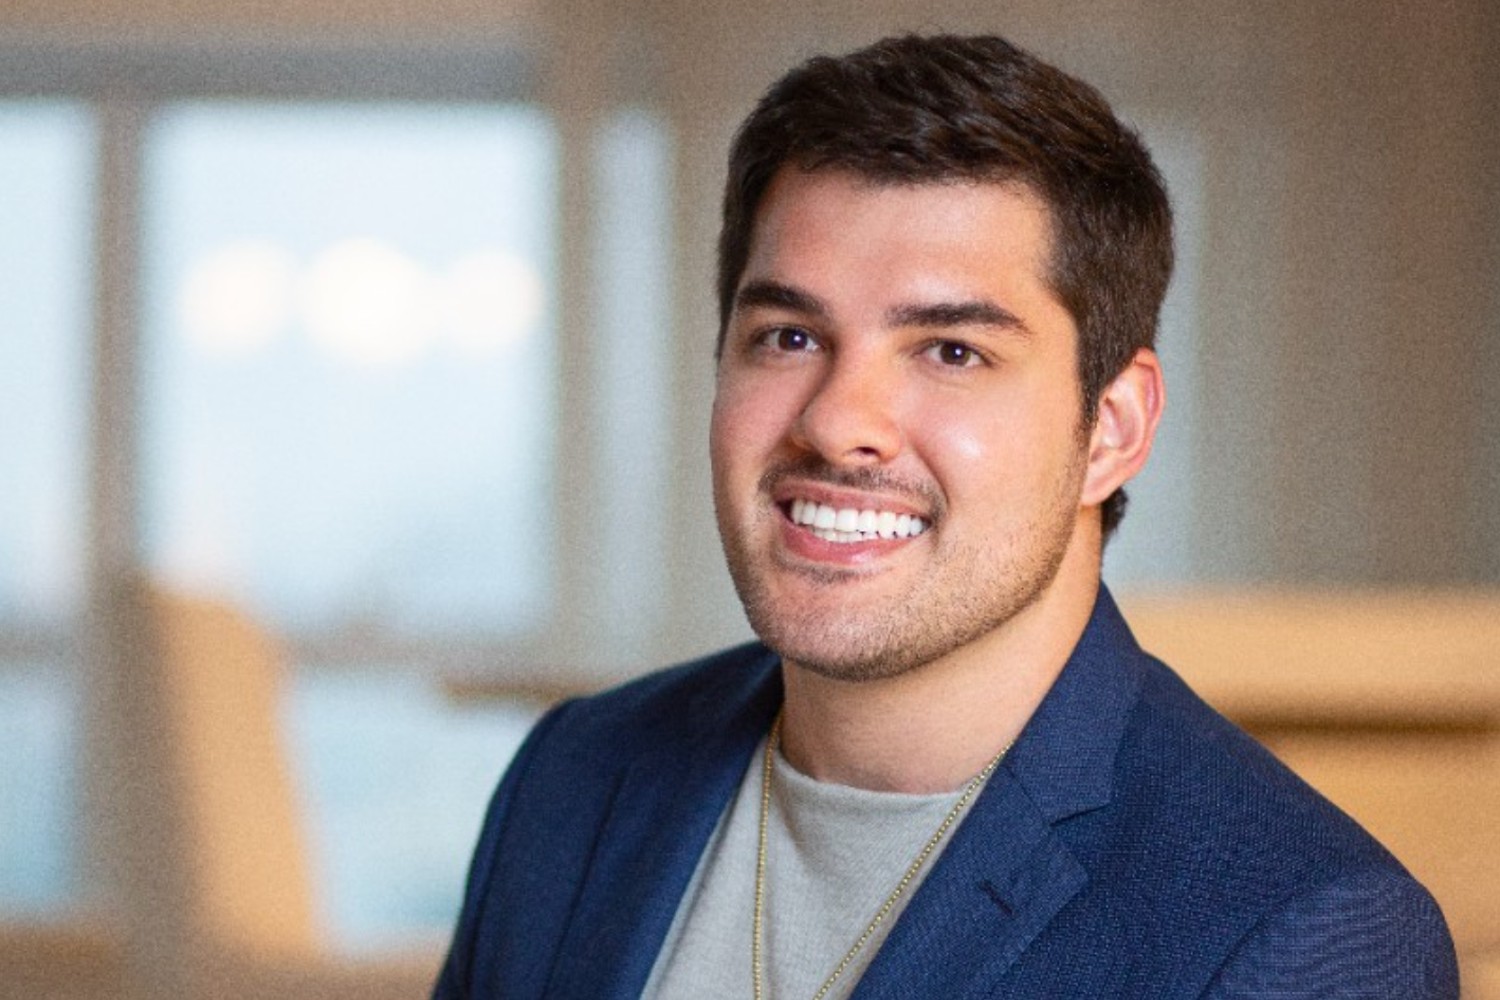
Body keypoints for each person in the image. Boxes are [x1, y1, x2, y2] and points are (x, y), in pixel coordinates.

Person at [434, 33, 1458, 999]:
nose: (838, 423)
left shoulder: (1301, 932)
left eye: (951, 351)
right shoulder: (575, 777)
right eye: (789, 337)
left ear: (1111, 428)